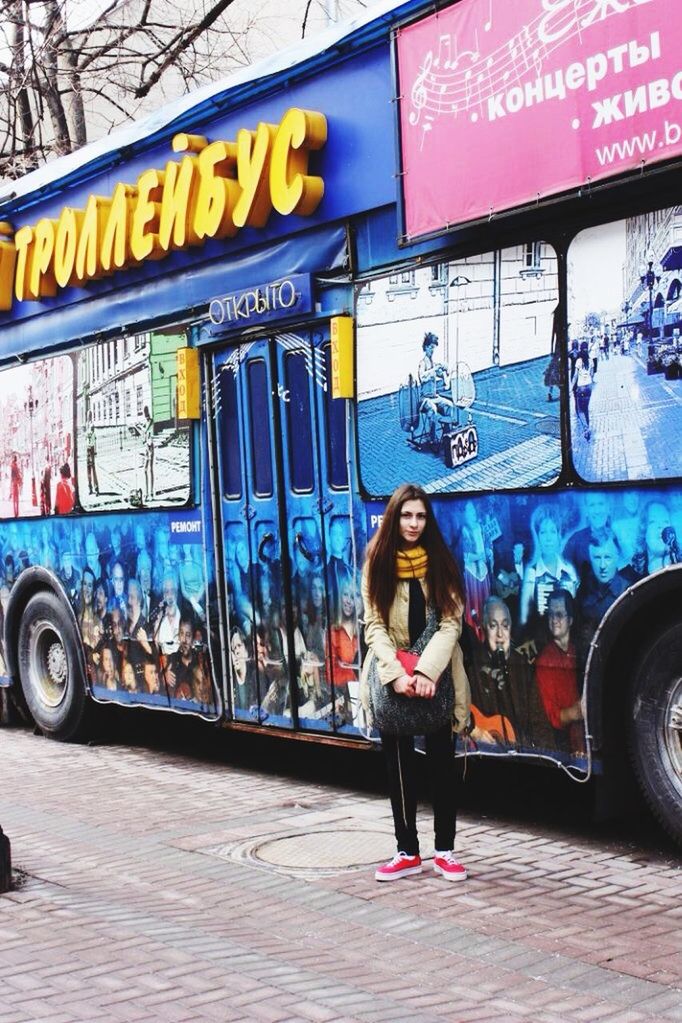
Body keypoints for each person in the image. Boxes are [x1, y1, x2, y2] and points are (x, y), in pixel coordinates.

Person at [360, 483, 470, 883]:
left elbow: (451, 622)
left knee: (442, 761)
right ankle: (406, 850)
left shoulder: (441, 561)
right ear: (394, 517)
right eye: (406, 515)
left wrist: (426, 671)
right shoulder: (377, 562)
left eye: (421, 516)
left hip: (435, 676)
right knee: (399, 767)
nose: (413, 523)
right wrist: (396, 674)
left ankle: (445, 852)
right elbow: (373, 625)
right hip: (393, 675)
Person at [468, 597, 554, 750]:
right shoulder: (472, 664)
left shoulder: (522, 665)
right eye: (493, 626)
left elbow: (539, 721)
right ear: (484, 628)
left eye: (505, 626)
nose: (500, 634)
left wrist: (546, 756)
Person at [535, 590, 585, 754]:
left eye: (559, 614)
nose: (554, 620)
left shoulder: (581, 651)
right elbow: (551, 717)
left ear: (570, 620)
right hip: (564, 744)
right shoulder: (545, 660)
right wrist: (575, 712)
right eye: (550, 614)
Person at [417, 332, 453, 448]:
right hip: (424, 399)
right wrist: (434, 369)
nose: (433, 350)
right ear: (426, 347)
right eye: (431, 347)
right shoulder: (422, 363)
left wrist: (445, 372)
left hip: (434, 397)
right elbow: (422, 377)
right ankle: (432, 439)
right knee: (432, 409)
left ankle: (447, 435)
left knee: (449, 405)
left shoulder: (433, 363)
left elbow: (441, 373)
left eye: (434, 348)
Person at [570, 349, 594, 441]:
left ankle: (586, 428)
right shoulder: (591, 361)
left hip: (581, 387)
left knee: (580, 411)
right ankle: (588, 426)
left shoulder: (578, 361)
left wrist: (572, 386)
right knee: (586, 409)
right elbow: (591, 374)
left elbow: (575, 375)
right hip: (589, 387)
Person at [86, 411, 99, 496]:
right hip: (87, 449)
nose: (89, 417)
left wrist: (95, 450)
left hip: (91, 449)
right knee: (88, 470)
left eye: (90, 415)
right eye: (88, 415)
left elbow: (94, 439)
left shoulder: (91, 425)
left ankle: (96, 488)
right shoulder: (87, 425)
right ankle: (90, 488)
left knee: (93, 469)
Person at [142, 405, 154, 503]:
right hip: (147, 447)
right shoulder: (147, 422)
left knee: (149, 469)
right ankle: (148, 493)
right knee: (146, 470)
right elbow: (145, 437)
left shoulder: (150, 422)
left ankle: (150, 493)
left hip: (150, 447)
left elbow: (149, 436)